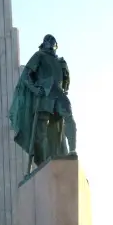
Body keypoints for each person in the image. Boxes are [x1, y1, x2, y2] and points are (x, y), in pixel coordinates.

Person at [9, 34, 77, 168]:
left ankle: (72, 150)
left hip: (58, 94)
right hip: (44, 94)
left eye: (53, 41)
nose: (51, 43)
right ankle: (41, 162)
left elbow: (66, 82)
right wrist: (35, 89)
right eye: (48, 41)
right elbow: (26, 76)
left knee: (69, 118)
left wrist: (65, 82)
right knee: (41, 130)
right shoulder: (39, 56)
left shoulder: (60, 61)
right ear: (44, 43)